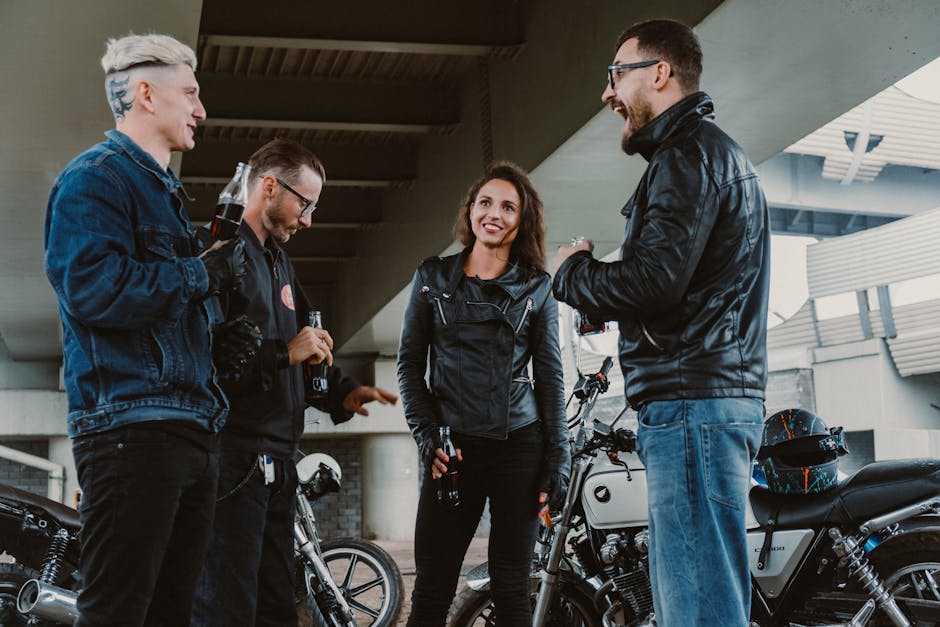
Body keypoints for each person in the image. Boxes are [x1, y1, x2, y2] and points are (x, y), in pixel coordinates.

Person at [553, 19, 770, 627]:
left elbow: (653, 281)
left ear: (659, 73)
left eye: (614, 76)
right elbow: (677, 285)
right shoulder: (708, 154)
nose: (606, 94)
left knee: (696, 606)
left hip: (690, 400)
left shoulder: (687, 156)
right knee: (702, 595)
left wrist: (573, 272)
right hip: (705, 396)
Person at [43, 34, 247, 626]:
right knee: (117, 613)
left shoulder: (167, 196)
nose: (201, 110)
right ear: (145, 94)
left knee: (169, 614)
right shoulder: (94, 179)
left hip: (187, 430)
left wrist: (216, 340)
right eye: (191, 93)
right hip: (131, 431)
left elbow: (160, 311)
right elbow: (94, 292)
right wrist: (197, 274)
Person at [191, 137, 399, 627]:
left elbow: (308, 353)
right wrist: (285, 352)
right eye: (305, 204)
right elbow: (205, 363)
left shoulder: (279, 262)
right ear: (268, 187)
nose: (309, 219)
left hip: (278, 463)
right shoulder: (217, 253)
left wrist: (342, 391)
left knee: (279, 606)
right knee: (226, 605)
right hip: (232, 462)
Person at [398, 162, 571, 626]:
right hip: (450, 452)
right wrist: (426, 436)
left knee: (512, 586)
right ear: (471, 211)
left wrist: (559, 457)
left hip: (520, 447)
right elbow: (410, 367)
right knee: (432, 588)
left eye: (508, 206)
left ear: (522, 219)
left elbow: (550, 377)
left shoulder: (537, 288)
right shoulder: (431, 279)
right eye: (485, 202)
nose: (494, 213)